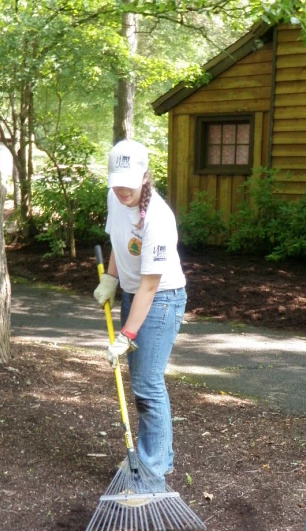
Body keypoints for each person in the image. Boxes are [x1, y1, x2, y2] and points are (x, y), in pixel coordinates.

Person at [93, 139, 187, 488]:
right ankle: (158, 454)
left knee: (147, 384)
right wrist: (110, 278)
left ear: (145, 176)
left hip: (161, 299)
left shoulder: (158, 218)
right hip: (135, 295)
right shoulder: (114, 198)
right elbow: (118, 242)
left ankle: (152, 469)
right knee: (141, 384)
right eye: (116, 182)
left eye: (129, 184)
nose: (121, 191)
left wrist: (126, 337)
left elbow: (150, 286)